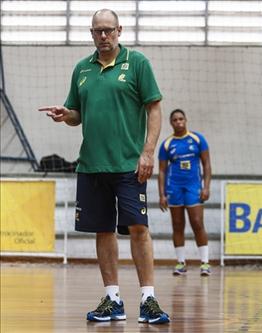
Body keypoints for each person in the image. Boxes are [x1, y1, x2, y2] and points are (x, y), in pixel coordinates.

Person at [38, 9, 170, 324]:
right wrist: (64, 114)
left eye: (109, 30)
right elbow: (76, 115)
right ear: (92, 33)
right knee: (103, 230)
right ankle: (113, 300)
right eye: (97, 31)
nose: (103, 36)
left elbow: (154, 108)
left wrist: (148, 152)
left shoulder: (137, 64)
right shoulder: (81, 69)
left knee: (139, 229)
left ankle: (148, 299)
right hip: (91, 165)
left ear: (119, 30)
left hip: (129, 165)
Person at [158, 109, 212, 276]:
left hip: (193, 186)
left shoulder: (197, 139)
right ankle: (181, 263)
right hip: (174, 188)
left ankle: (205, 263)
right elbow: (161, 171)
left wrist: (206, 186)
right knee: (177, 225)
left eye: (181, 119)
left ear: (186, 120)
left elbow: (207, 164)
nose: (178, 122)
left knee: (197, 222)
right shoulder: (167, 144)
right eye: (175, 120)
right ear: (171, 123)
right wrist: (161, 194)